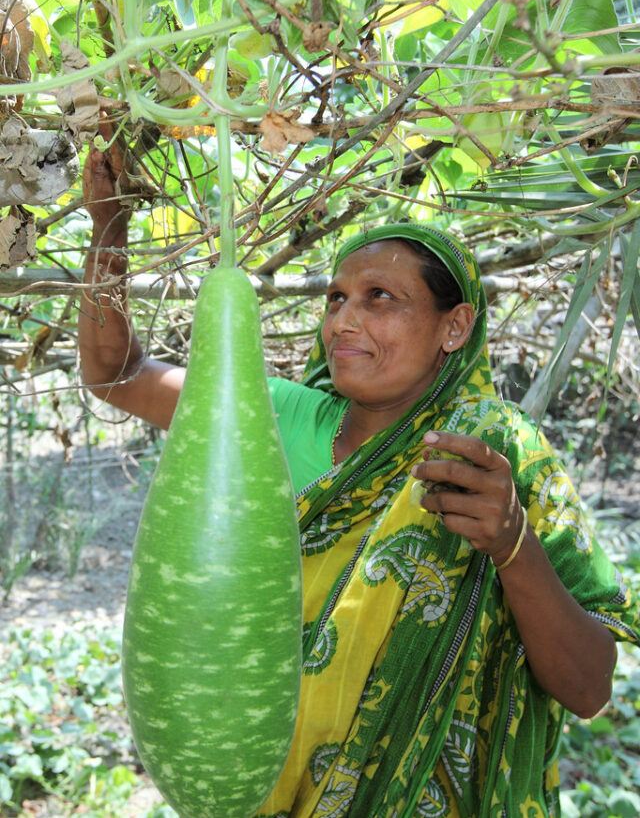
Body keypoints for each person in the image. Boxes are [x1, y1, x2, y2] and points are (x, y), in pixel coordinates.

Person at [80, 144, 639, 818]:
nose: (344, 319)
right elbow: (115, 373)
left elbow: (589, 688)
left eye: (381, 297)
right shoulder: (269, 415)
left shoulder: (504, 456)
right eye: (336, 298)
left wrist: (513, 544)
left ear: (454, 326)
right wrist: (108, 228)